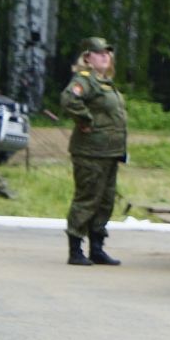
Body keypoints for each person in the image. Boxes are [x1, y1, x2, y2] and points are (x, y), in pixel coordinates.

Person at [61, 37, 128, 266]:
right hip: (90, 152)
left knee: (105, 201)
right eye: (99, 53)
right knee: (87, 198)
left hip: (109, 152)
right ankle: (75, 249)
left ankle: (97, 248)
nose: (104, 56)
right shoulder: (85, 81)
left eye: (107, 53)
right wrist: (85, 120)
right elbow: (69, 100)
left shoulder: (106, 82)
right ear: (87, 58)